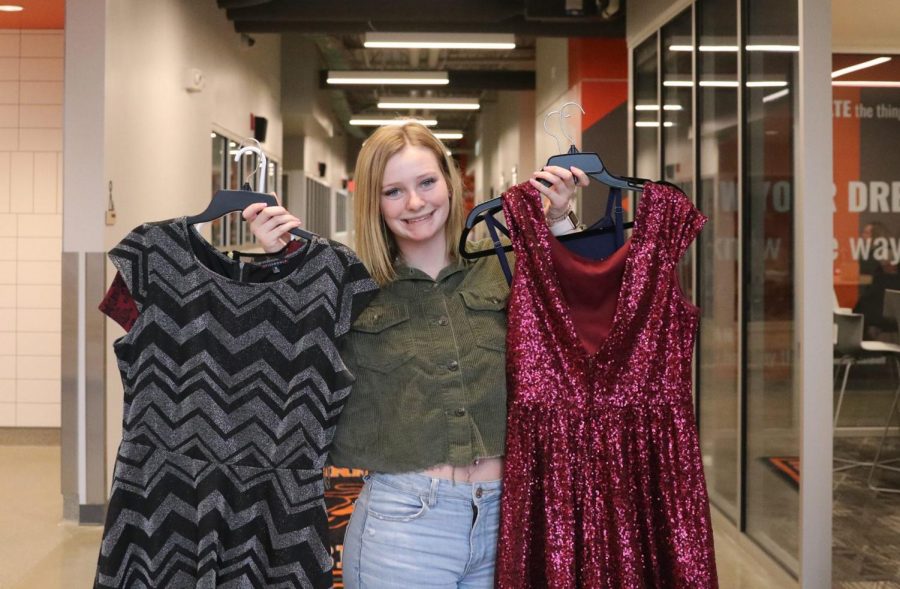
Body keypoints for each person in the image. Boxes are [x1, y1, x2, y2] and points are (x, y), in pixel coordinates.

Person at [242, 122, 587, 588]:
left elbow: (580, 317)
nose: (416, 203)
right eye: (393, 192)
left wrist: (561, 219)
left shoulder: (503, 265)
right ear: (373, 202)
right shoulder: (348, 286)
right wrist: (278, 271)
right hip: (404, 526)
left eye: (426, 182)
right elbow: (283, 367)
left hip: (509, 518)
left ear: (448, 180)